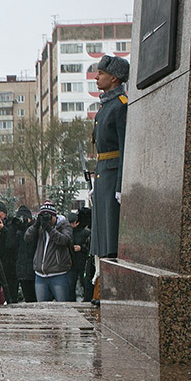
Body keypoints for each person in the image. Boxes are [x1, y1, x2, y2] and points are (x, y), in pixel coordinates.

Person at [90, 54, 129, 261]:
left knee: (111, 238)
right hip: (103, 175)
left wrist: (121, 185)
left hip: (113, 176)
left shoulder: (121, 105)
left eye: (101, 73)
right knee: (102, 239)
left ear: (114, 78)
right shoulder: (106, 106)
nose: (97, 77)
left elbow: (125, 148)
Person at [25, 201, 74, 302]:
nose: (45, 219)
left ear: (54, 216)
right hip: (40, 275)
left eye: (48, 216)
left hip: (58, 274)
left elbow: (64, 240)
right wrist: (36, 225)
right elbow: (27, 238)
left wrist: (49, 229)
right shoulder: (39, 227)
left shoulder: (64, 225)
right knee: (42, 309)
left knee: (63, 308)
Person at [0, 202, 19, 303]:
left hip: (9, 267)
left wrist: (3, 229)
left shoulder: (12, 224)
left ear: (5, 213)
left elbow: (12, 243)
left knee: (11, 297)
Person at [10, 205, 38, 302]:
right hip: (22, 272)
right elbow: (11, 245)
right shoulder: (17, 232)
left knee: (36, 299)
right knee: (28, 299)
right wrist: (13, 227)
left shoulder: (34, 230)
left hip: (33, 271)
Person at [68, 211, 91, 301]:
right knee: (71, 286)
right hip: (72, 264)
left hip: (82, 263)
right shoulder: (69, 232)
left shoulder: (85, 233)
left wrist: (81, 248)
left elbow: (89, 247)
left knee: (85, 284)